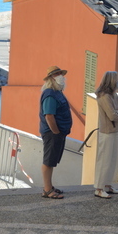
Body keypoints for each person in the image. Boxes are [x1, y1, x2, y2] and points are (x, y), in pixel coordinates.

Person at [39, 65, 73, 199]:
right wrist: (56, 132)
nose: (61, 77)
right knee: (48, 161)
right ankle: (47, 190)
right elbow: (49, 116)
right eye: (57, 74)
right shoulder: (50, 95)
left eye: (61, 74)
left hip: (57, 133)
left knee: (52, 160)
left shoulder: (56, 93)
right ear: (51, 78)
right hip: (52, 133)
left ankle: (49, 187)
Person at [93, 71, 118, 199]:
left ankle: (107, 185)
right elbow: (112, 115)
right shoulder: (104, 97)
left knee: (112, 160)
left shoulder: (113, 95)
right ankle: (99, 188)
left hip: (114, 130)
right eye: (117, 79)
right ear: (112, 81)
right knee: (104, 161)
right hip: (107, 132)